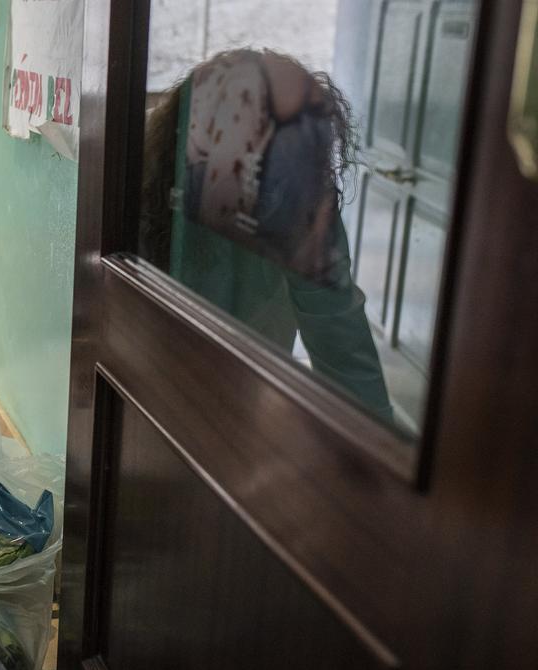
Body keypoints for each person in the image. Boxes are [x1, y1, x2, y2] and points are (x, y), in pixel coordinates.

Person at [139, 49, 394, 422]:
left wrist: (377, 448)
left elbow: (339, 331)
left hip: (246, 384)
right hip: (142, 378)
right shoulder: (136, 163)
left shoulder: (303, 188)